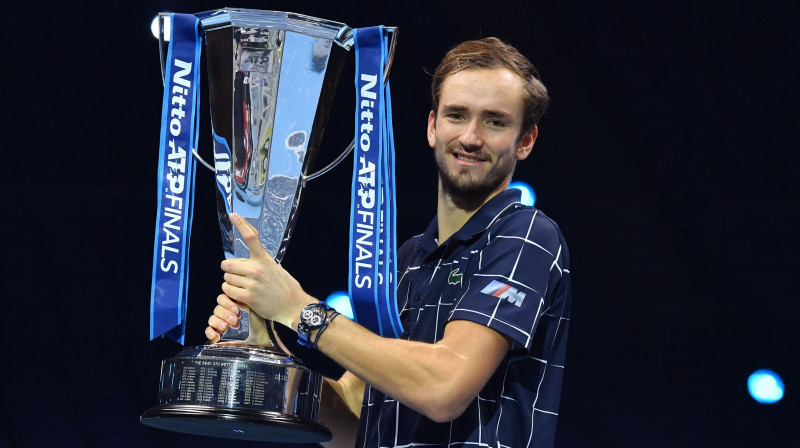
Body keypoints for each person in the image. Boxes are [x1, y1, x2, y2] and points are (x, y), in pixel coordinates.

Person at [206, 37, 571, 448]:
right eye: (457, 115)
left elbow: (444, 387)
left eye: (495, 121)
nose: (470, 137)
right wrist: (272, 349)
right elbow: (350, 426)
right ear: (433, 126)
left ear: (526, 140)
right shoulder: (406, 260)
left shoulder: (526, 235)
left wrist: (298, 309)